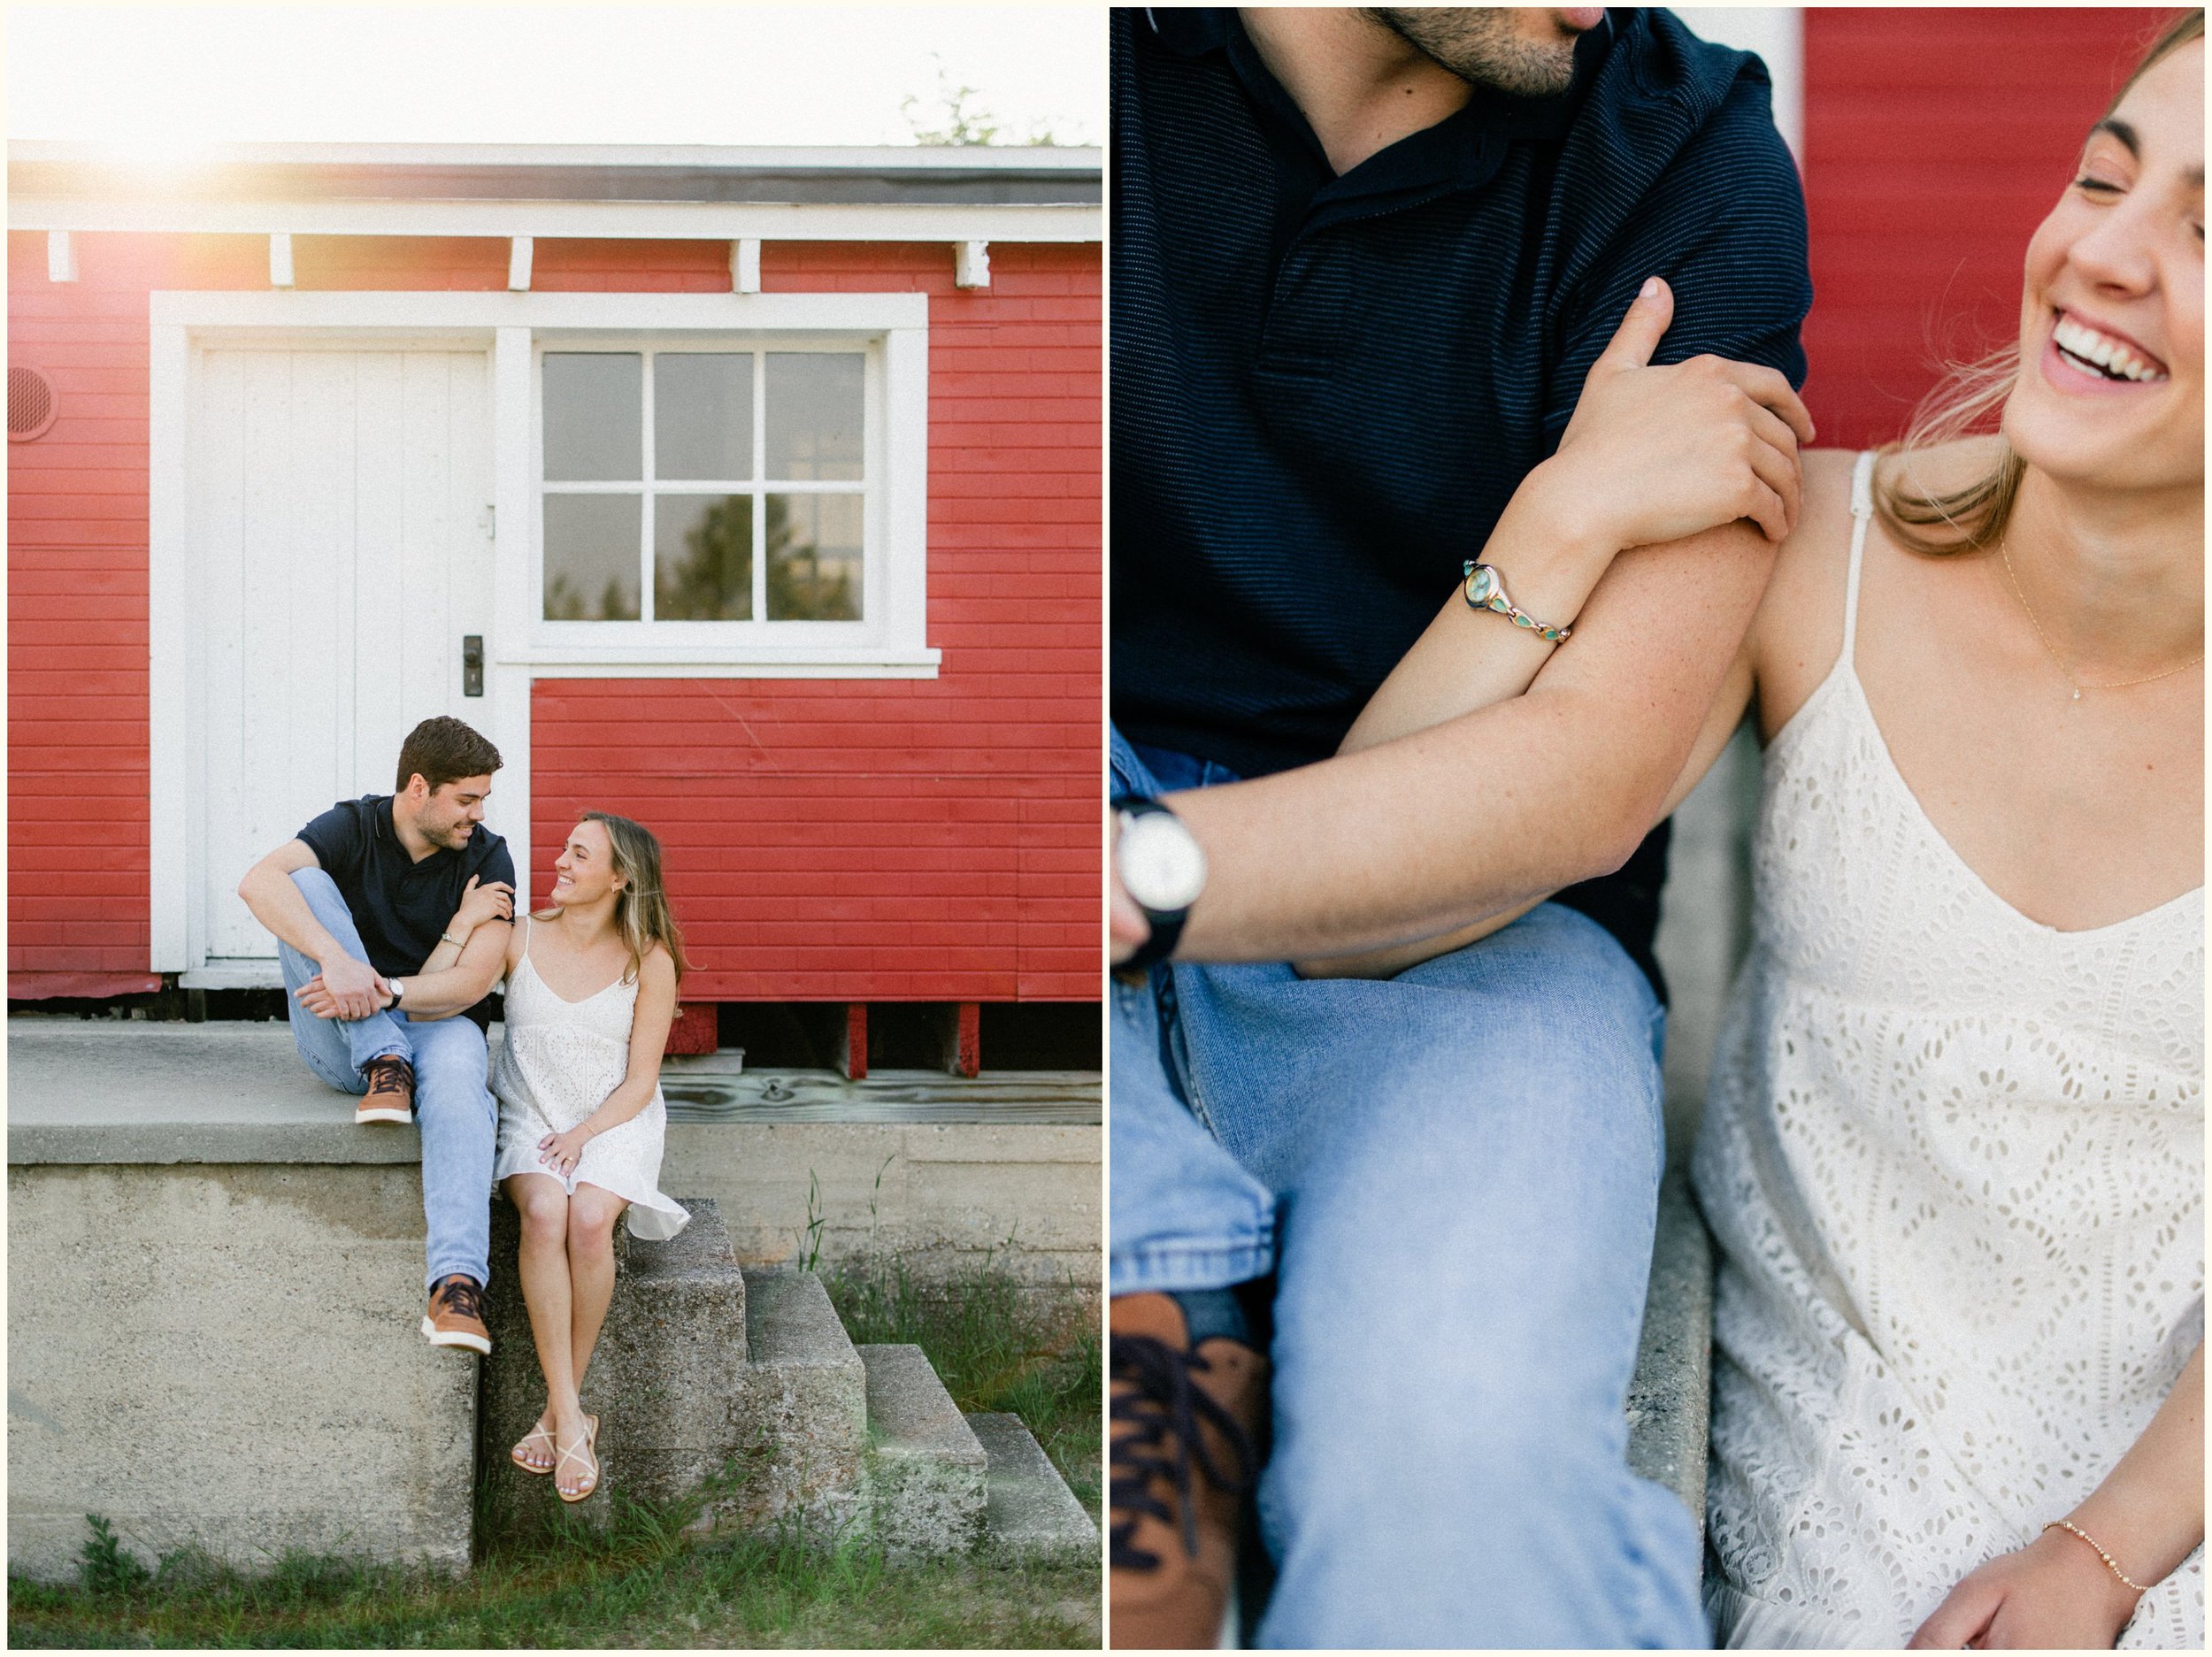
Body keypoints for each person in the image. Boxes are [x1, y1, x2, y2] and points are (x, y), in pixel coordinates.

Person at [1339, 12, 2205, 1645]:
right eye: (2104, 179)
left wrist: (2105, 1560)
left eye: (2207, 232)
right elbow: (1376, 896)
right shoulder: (1818, 555)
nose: (2105, 253)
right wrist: (1562, 513)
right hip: (1836, 1535)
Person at [1107, 6, 1813, 1645]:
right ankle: (1166, 1332)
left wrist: (1143, 874)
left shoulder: (1686, 160)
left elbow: (1589, 772)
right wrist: (1561, 523)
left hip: (1484, 945)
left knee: (1462, 1489)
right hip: (1099, 846)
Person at [239, 715, 517, 1356]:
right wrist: (336, 962)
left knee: (459, 1080)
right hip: (344, 1044)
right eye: (466, 799)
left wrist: (382, 989)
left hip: (437, 1027)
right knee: (301, 881)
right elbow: (257, 882)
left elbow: (473, 983)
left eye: (482, 799)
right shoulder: (353, 825)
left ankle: (456, 1288)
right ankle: (382, 1055)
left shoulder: (487, 856)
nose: (477, 814)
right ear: (419, 788)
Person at [493, 812, 688, 1505]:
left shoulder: (649, 960)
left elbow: (640, 1081)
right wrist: (463, 922)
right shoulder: (517, 936)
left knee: (588, 1219)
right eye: (565, 849)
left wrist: (584, 1134)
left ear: (619, 877)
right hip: (531, 1111)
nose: (561, 862)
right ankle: (574, 1416)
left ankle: (559, 1413)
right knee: (546, 1210)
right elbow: (451, 986)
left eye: (580, 854)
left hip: (613, 1119)